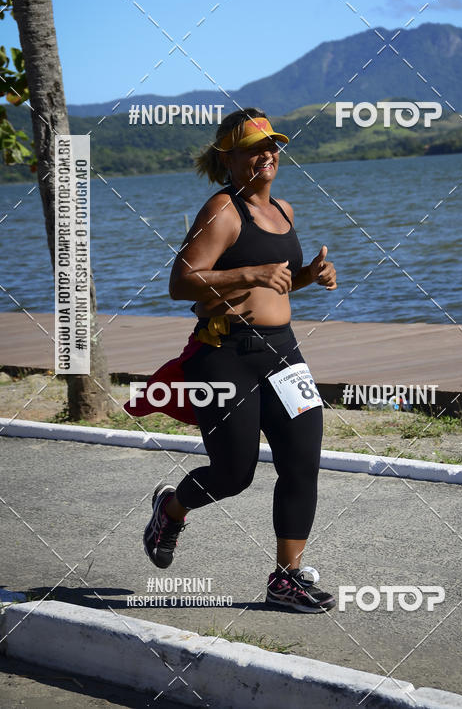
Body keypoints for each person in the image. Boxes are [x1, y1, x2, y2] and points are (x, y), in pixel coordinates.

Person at [143, 108, 338, 612]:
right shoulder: (222, 210)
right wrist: (251, 273)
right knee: (234, 473)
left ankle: (286, 578)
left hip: (283, 352)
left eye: (271, 146)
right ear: (228, 159)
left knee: (302, 459)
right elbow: (181, 281)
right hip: (224, 355)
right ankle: (171, 508)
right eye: (253, 148)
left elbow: (274, 280)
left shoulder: (285, 211)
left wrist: (306, 277)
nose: (266, 155)